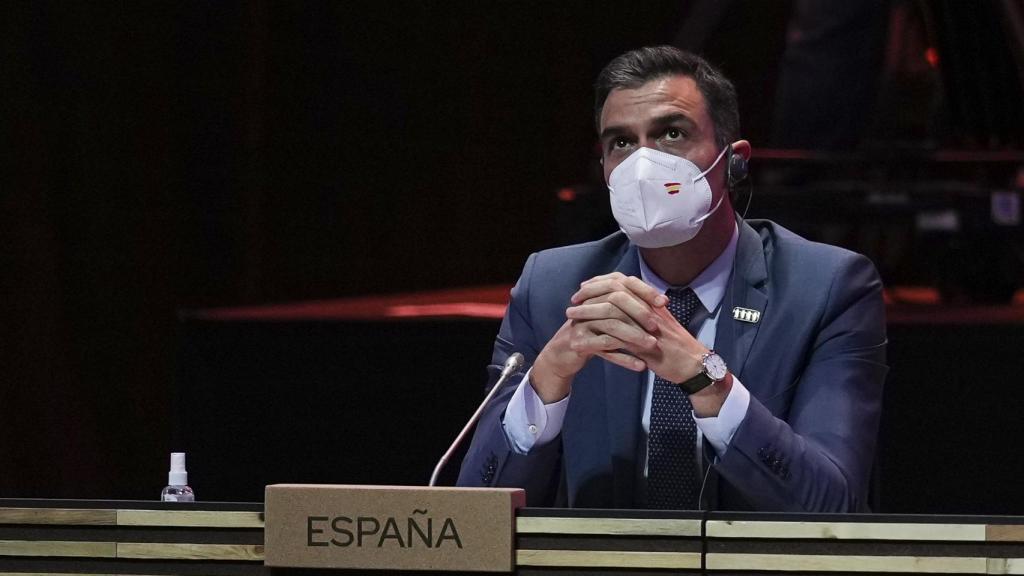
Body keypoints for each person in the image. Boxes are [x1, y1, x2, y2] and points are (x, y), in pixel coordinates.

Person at [457, 46, 887, 512]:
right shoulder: (552, 288)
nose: (644, 165)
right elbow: (474, 516)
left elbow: (832, 504)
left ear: (733, 161)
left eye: (671, 134)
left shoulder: (826, 287)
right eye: (620, 142)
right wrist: (545, 382)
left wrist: (706, 379)